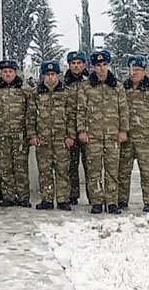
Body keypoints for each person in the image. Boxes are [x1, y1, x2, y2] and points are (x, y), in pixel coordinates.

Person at [77, 50, 129, 214]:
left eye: (104, 65)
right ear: (93, 67)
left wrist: (123, 130)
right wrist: (82, 130)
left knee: (112, 169)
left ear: (108, 65)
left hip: (113, 134)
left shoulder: (117, 86)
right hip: (93, 135)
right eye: (98, 65)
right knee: (94, 170)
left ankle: (112, 201)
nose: (101, 68)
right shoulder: (86, 87)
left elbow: (123, 109)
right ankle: (97, 202)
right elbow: (81, 110)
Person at [118, 55, 149, 213]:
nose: (135, 72)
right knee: (123, 172)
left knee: (148, 173)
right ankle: (121, 200)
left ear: (144, 71)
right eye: (133, 69)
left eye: (138, 70)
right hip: (126, 138)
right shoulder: (121, 89)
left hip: (146, 139)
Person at [30, 60, 76, 211]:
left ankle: (63, 199)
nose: (50, 78)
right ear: (43, 76)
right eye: (47, 75)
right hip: (42, 139)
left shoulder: (66, 93)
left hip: (61, 139)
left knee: (62, 170)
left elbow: (71, 116)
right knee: (45, 171)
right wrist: (33, 134)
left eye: (53, 74)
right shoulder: (36, 94)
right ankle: (47, 199)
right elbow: (30, 116)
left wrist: (70, 136)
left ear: (58, 75)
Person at [0, 59, 32, 208]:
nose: (8, 74)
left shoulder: (25, 90)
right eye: (5, 72)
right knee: (4, 167)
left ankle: (23, 197)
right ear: (1, 73)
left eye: (10, 72)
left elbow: (30, 112)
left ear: (15, 72)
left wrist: (30, 133)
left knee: (20, 167)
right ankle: (8, 196)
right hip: (1, 135)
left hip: (20, 136)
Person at [65, 50, 90, 205]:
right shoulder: (63, 83)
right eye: (73, 63)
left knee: (90, 165)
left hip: (88, 130)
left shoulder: (91, 82)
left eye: (78, 63)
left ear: (84, 64)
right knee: (70, 165)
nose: (76, 66)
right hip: (69, 129)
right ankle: (72, 195)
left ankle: (93, 196)